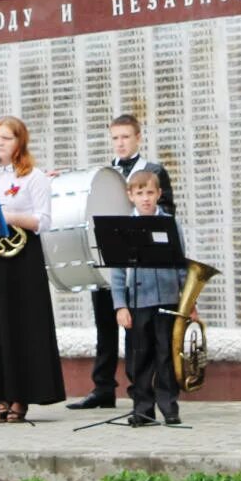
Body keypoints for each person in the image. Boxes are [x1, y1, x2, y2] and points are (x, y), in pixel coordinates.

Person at [69, 113, 175, 410]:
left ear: (138, 138)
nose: (120, 143)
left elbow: (166, 215)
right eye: (115, 138)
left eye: (125, 137)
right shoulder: (103, 175)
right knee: (105, 324)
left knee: (135, 331)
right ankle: (103, 388)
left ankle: (138, 392)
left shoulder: (152, 171)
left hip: (140, 267)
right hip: (108, 259)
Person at [0, 116, 66, 423]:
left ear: (20, 142)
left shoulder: (34, 177)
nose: (0, 143)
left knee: (20, 325)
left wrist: (8, 216)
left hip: (22, 257)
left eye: (7, 138)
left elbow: (44, 221)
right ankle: (0, 395)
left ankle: (21, 396)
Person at [110, 169, 185, 427]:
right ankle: (143, 409)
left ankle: (169, 407)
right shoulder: (124, 228)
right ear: (130, 195)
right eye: (139, 193)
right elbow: (118, 272)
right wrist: (120, 305)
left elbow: (181, 264)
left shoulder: (170, 224)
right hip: (138, 303)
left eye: (150, 193)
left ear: (159, 194)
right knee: (138, 358)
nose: (145, 198)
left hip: (167, 301)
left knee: (166, 356)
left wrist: (188, 301)